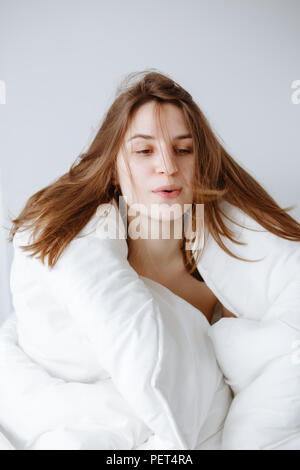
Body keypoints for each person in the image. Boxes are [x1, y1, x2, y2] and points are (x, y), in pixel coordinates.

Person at [2, 69, 300, 450]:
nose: (168, 166)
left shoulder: (221, 289)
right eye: (144, 151)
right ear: (113, 170)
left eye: (183, 149)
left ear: (200, 163)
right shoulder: (86, 263)